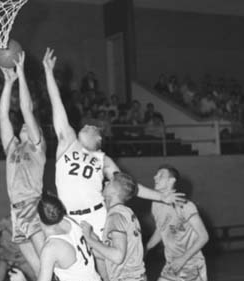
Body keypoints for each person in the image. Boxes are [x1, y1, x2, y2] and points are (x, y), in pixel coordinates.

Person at [42, 49, 184, 241]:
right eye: (87, 125)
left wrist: (161, 197)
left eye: (92, 127)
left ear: (98, 140)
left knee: (108, 258)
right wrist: (49, 74)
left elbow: (130, 186)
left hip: (97, 215)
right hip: (70, 218)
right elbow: (57, 105)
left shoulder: (104, 160)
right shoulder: (68, 142)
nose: (87, 125)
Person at [0, 50, 47, 278]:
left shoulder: (37, 148)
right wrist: (8, 83)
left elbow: (26, 109)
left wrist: (21, 73)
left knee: (47, 260)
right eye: (24, 125)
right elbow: (2, 117)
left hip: (32, 205)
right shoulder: (12, 149)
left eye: (31, 125)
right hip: (16, 210)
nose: (25, 125)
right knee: (37, 268)